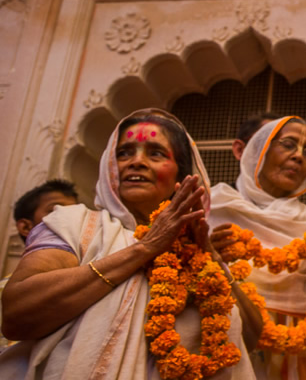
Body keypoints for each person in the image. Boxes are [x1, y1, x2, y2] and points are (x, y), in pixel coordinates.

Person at [0, 109, 262, 379]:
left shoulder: (196, 252)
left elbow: (251, 339)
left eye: (156, 153)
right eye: (124, 153)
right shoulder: (75, 224)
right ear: (111, 169)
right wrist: (145, 249)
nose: (136, 162)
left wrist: (212, 257)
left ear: (180, 179)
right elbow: (17, 314)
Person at [208, 116, 306, 380]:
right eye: (287, 144)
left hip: (299, 364)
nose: (298, 157)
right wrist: (204, 259)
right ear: (242, 150)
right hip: (222, 357)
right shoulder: (211, 210)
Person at [0, 180, 79, 351]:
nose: (71, 220)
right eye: (56, 211)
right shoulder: (6, 292)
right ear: (26, 227)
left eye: (76, 214)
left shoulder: (84, 283)